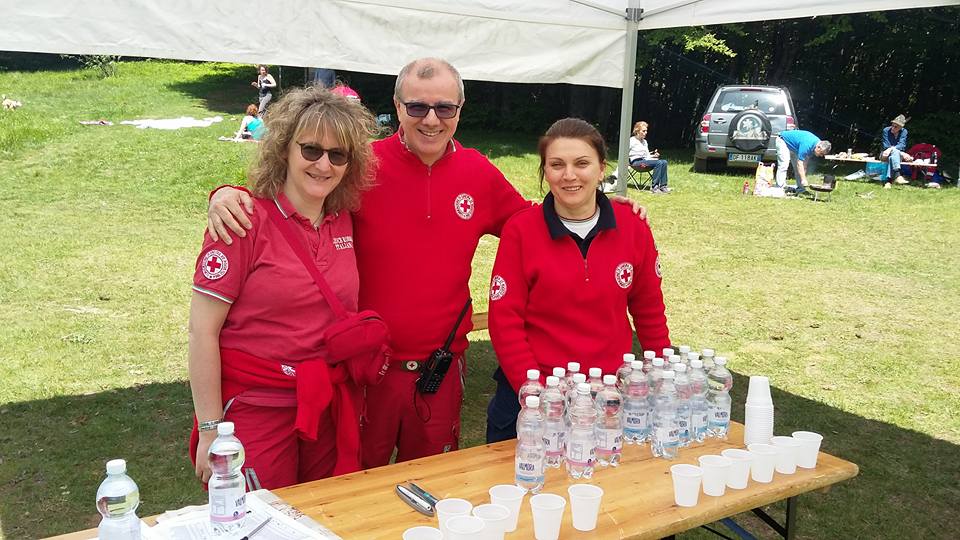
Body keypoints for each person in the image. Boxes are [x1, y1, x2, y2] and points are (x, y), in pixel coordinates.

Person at [205, 58, 647, 468]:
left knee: (435, 484)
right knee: (359, 486)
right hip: (367, 372)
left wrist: (603, 207)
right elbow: (298, 195)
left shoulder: (477, 171)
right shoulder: (362, 165)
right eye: (416, 106)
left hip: (440, 369)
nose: (431, 119)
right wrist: (228, 192)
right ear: (397, 106)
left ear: (460, 108)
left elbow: (537, 221)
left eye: (444, 107)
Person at [189, 86, 378, 490]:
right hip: (257, 407)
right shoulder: (241, 221)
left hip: (322, 405)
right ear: (284, 150)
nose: (323, 164)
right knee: (260, 523)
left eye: (337, 154)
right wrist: (209, 429)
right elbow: (201, 332)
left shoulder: (344, 219)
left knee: (323, 518)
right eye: (311, 149)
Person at [485, 118, 671, 442]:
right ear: (545, 171)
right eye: (557, 165)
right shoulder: (521, 230)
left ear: (602, 169)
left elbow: (650, 314)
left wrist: (665, 380)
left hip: (607, 399)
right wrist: (536, 394)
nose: (569, 175)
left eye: (581, 163)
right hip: (532, 399)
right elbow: (505, 321)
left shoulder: (633, 227)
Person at [775, 129, 831, 194]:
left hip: (794, 146)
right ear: (818, 147)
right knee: (784, 164)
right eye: (821, 153)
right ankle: (780, 188)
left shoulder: (815, 146)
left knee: (798, 169)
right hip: (783, 140)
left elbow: (805, 161)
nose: (821, 155)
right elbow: (800, 163)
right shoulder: (807, 144)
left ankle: (801, 189)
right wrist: (803, 179)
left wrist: (803, 174)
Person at [628, 121, 670, 193]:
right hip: (636, 163)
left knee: (664, 162)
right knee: (659, 163)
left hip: (644, 161)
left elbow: (647, 156)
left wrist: (654, 156)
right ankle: (654, 187)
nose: (646, 132)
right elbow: (625, 153)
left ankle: (663, 186)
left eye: (646, 131)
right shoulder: (631, 140)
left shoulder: (645, 142)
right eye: (643, 131)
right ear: (637, 131)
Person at [880, 114, 911, 189]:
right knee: (893, 154)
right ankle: (897, 175)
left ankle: (888, 182)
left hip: (896, 155)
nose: (893, 128)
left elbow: (902, 145)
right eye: (892, 125)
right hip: (884, 154)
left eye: (896, 127)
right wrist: (901, 152)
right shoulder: (886, 130)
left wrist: (892, 149)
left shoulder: (904, 132)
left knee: (892, 157)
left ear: (901, 127)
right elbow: (886, 146)